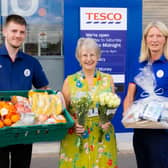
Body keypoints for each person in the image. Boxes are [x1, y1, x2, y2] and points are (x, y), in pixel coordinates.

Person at [59, 37, 118, 168]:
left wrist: (107, 119)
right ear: (79, 58)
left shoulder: (107, 80)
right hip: (76, 135)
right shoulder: (70, 81)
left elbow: (112, 105)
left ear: (98, 57)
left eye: (92, 55)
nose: (89, 59)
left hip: (102, 135)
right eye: (84, 55)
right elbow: (63, 111)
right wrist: (72, 123)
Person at [0, 14, 49, 168]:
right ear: (4, 31)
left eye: (22, 32)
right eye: (14, 31)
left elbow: (43, 89)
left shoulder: (31, 62)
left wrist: (42, 114)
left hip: (24, 126)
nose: (18, 35)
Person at [123, 21, 168, 168]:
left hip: (163, 131)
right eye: (151, 36)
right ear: (145, 39)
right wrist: (127, 114)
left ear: (165, 39)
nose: (154, 40)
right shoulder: (138, 64)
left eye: (159, 36)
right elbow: (130, 95)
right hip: (141, 128)